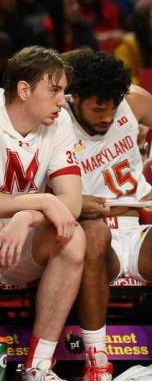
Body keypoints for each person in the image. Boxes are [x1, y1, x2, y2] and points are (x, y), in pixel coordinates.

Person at [62, 50, 152, 381]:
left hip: (135, 229)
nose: (107, 115)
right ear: (75, 98)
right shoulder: (56, 118)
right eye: (97, 107)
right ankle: (97, 363)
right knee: (94, 236)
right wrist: (76, 201)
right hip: (91, 235)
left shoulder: (133, 102)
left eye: (113, 106)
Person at [0, 46, 86, 381]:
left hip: (20, 240)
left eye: (63, 91)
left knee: (72, 236)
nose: (63, 100)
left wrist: (28, 215)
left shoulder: (60, 121)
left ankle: (39, 365)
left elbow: (72, 204)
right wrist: (44, 202)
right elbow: (55, 202)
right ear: (24, 90)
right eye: (55, 90)